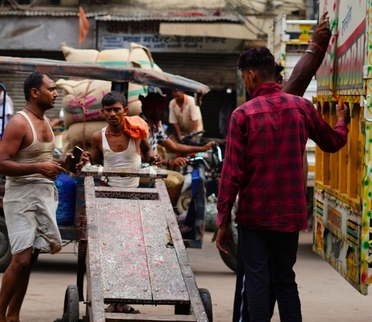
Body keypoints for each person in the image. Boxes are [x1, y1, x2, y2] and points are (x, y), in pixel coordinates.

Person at [216, 45, 349, 322]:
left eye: (244, 78)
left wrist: (223, 221)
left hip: (254, 216)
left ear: (252, 76)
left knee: (257, 281)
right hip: (290, 214)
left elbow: (231, 174)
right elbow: (333, 142)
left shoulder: (243, 115)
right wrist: (342, 122)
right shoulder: (303, 107)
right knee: (285, 280)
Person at [0, 71, 88, 322]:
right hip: (21, 198)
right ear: (35, 93)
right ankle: (0, 316)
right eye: (51, 89)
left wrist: (67, 164)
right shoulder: (19, 123)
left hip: (43, 195)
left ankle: (14, 315)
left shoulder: (45, 122)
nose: (56, 93)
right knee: (21, 259)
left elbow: (43, 161)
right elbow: (0, 165)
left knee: (31, 258)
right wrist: (39, 168)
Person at [139, 91, 215, 205]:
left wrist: (202, 148)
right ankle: (164, 212)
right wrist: (169, 162)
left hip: (150, 168)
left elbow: (174, 146)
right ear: (150, 109)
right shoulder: (140, 126)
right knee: (174, 182)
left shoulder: (154, 127)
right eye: (159, 108)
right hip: (140, 169)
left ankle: (169, 211)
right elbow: (144, 158)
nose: (162, 112)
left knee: (181, 179)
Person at [90, 91, 158, 188]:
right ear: (103, 112)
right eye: (108, 110)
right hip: (107, 188)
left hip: (133, 189)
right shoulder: (98, 137)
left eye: (117, 109)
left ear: (125, 111)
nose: (112, 114)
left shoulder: (136, 132)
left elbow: (147, 150)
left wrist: (152, 158)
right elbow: (97, 161)